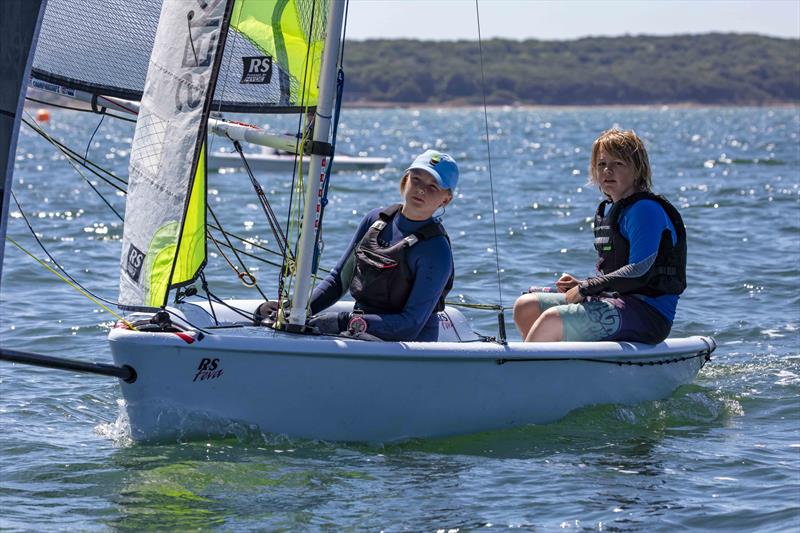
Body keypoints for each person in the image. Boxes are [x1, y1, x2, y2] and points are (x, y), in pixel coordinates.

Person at [514, 128, 687, 344]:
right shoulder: (614, 209)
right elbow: (615, 276)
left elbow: (640, 270)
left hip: (649, 315)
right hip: (615, 300)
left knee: (551, 319)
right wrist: (583, 283)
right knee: (526, 306)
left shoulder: (645, 210)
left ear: (638, 170)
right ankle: (552, 366)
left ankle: (526, 373)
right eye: (602, 164)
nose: (607, 171)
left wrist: (587, 287)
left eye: (618, 164)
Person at [299, 149, 459, 341]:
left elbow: (410, 325)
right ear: (405, 180)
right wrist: (297, 311)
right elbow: (337, 281)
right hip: (359, 333)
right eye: (416, 179)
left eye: (433, 186)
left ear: (446, 199)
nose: (421, 189)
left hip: (408, 346)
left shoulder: (436, 250)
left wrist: (343, 322)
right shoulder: (375, 220)